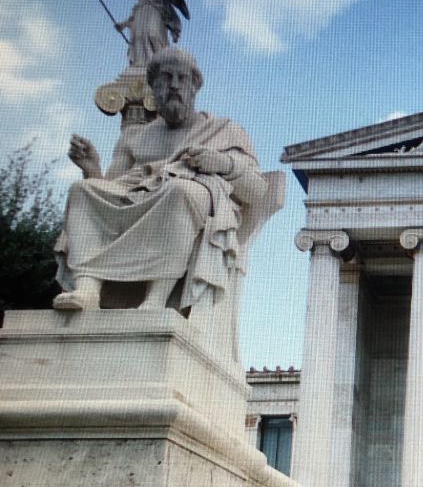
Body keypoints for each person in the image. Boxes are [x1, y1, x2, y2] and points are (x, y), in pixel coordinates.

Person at [53, 47, 268, 314]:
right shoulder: (133, 136)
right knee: (81, 190)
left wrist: (222, 163)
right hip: (138, 198)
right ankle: (87, 289)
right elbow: (112, 192)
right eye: (166, 78)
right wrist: (91, 169)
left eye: (182, 78)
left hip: (180, 199)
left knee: (180, 190)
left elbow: (257, 190)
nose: (174, 85)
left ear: (195, 86)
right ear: (152, 87)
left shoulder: (223, 130)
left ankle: (156, 298)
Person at [116, 0, 184, 71]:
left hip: (156, 13)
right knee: (138, 36)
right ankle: (140, 64)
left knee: (153, 35)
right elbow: (135, 11)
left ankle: (159, 66)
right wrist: (123, 24)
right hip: (142, 14)